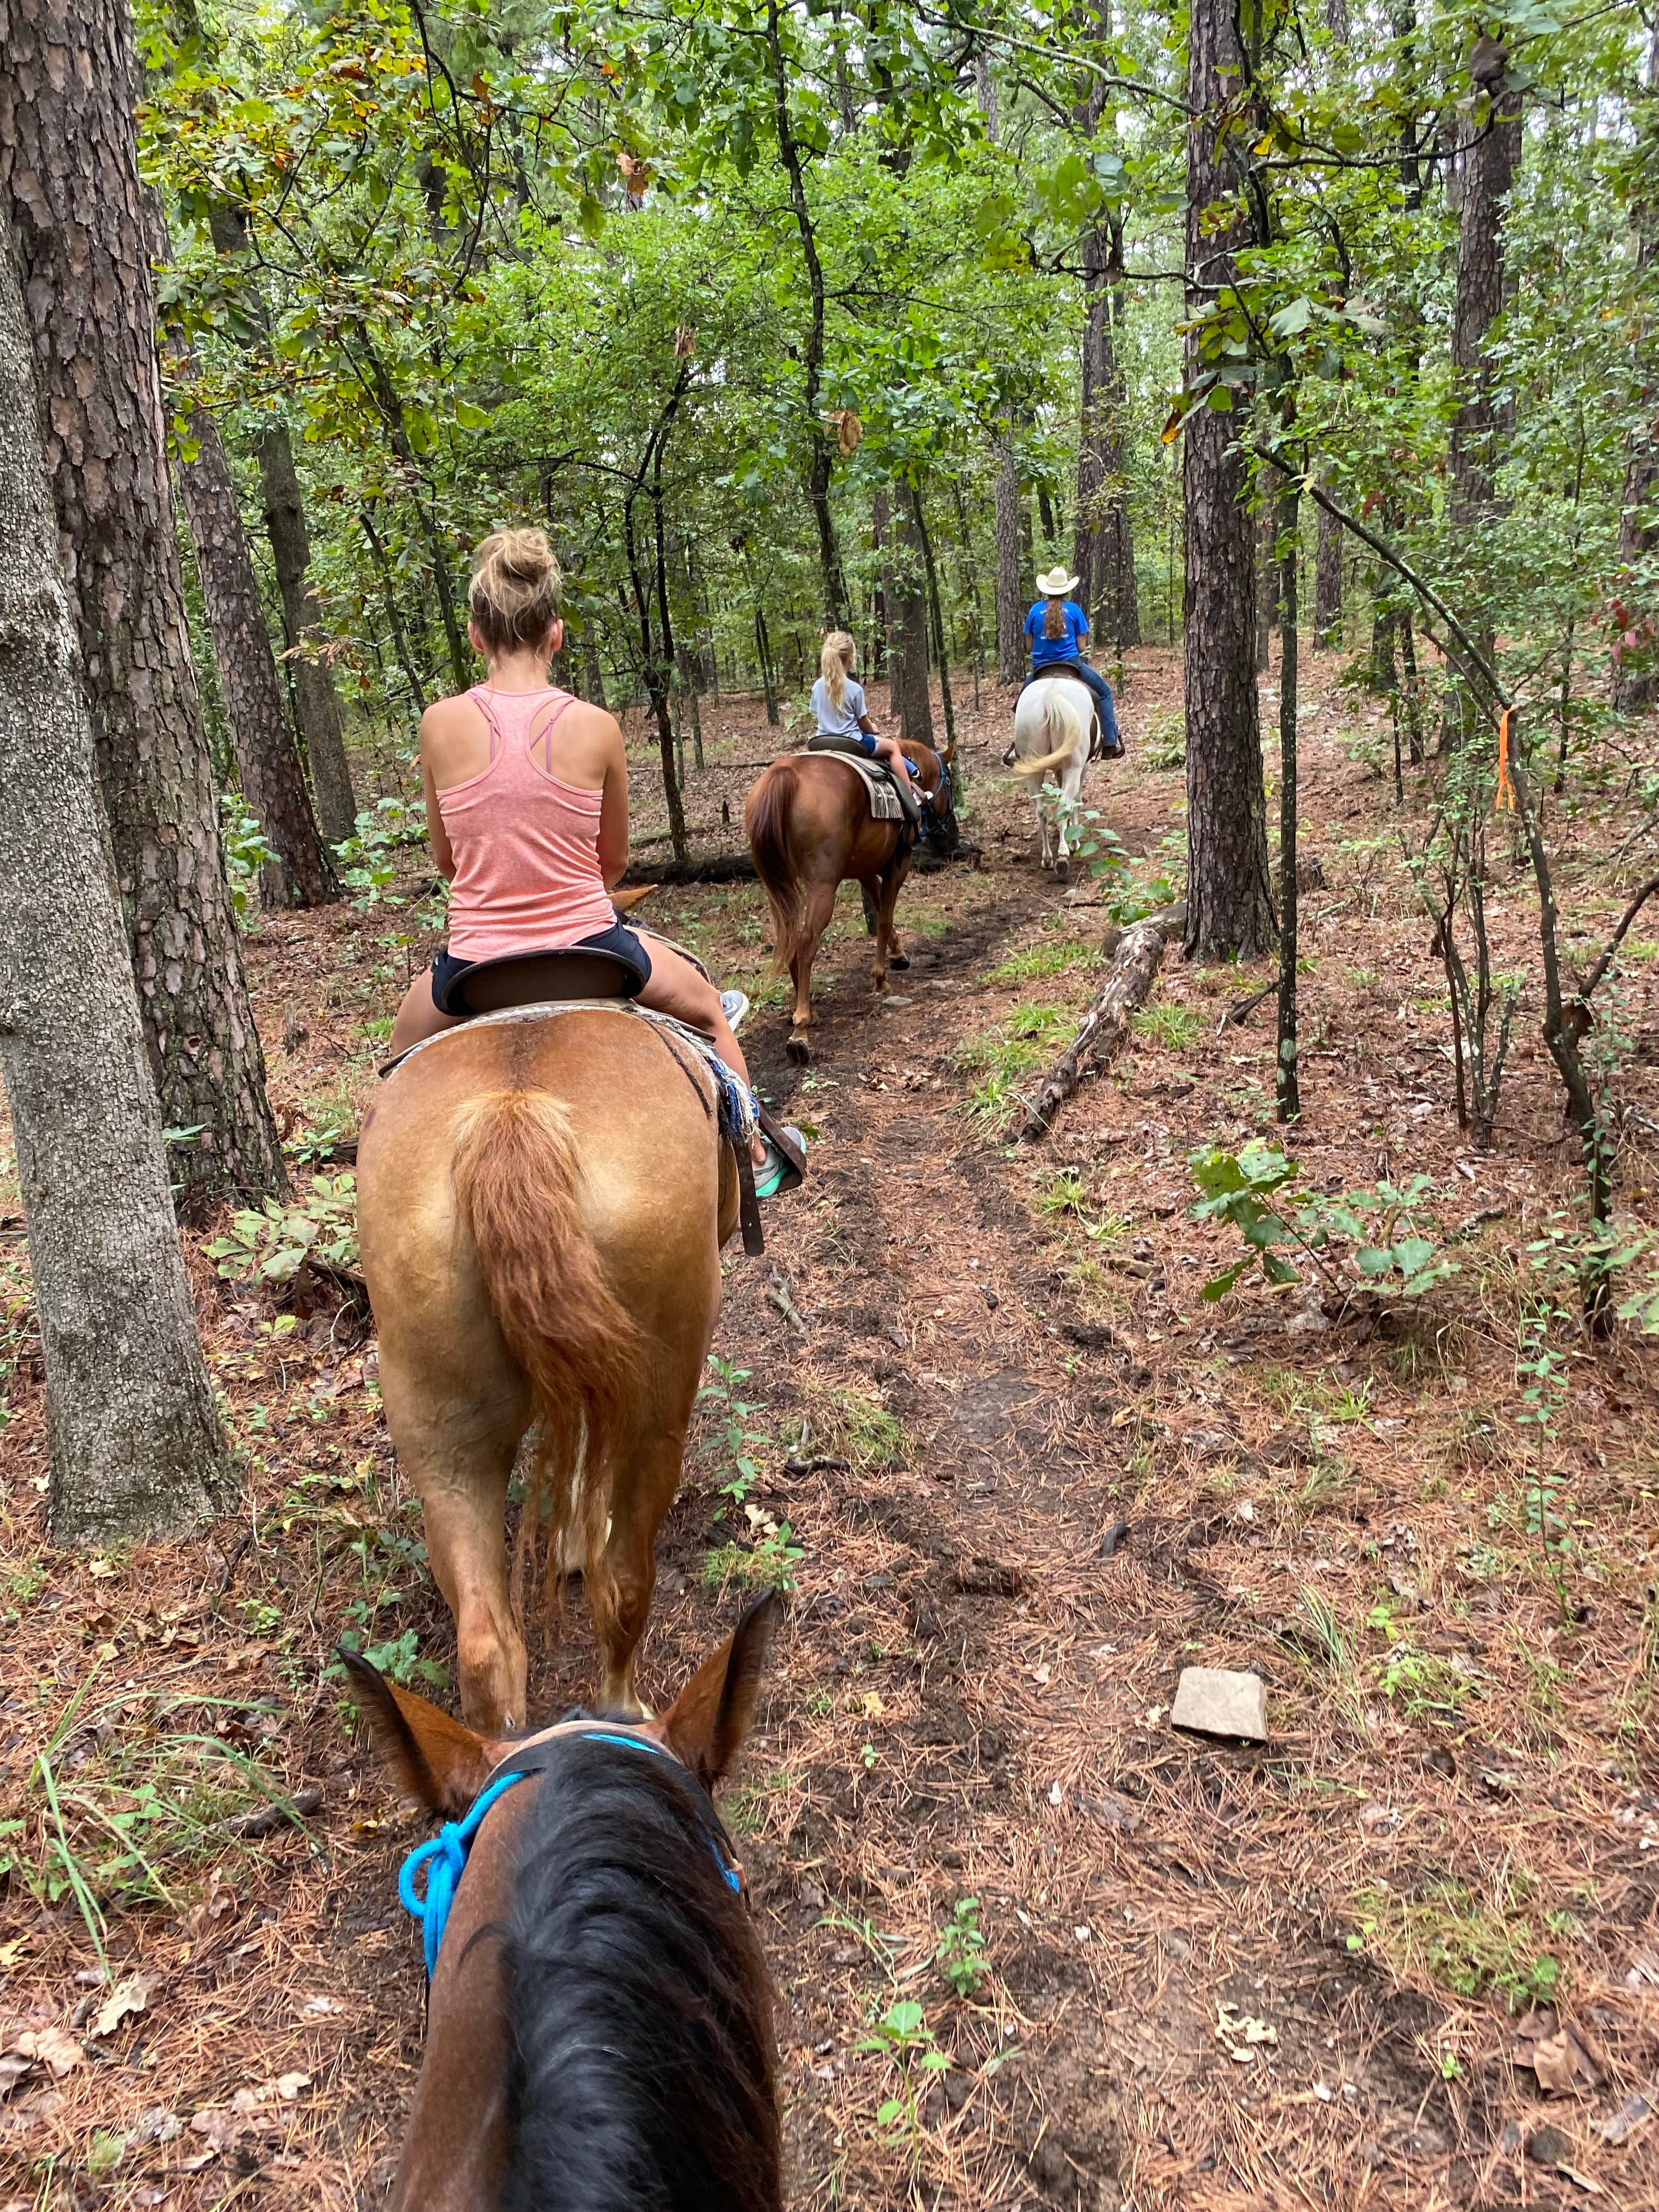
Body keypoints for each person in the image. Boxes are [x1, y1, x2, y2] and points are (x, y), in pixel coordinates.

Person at [388, 529, 798, 1194]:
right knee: (709, 1011)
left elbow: (448, 862)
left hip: (472, 973)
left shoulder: (438, 724)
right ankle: (755, 1157)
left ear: (474, 635)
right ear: (555, 634)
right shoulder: (598, 726)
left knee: (397, 1069)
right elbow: (610, 866)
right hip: (592, 954)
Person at [809, 631, 922, 830]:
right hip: (851, 742)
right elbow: (863, 724)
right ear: (851, 658)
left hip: (823, 740)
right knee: (893, 748)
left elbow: (818, 714)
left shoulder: (818, 686)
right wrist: (874, 728)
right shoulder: (854, 689)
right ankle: (909, 798)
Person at [1021, 567, 1122, 757]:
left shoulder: (1034, 611)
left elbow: (1029, 646)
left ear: (1046, 589)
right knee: (1105, 692)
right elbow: (1082, 647)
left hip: (1041, 669)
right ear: (1066, 590)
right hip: (1072, 665)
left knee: (1020, 703)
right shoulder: (1075, 610)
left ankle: (1019, 750)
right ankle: (1110, 742)